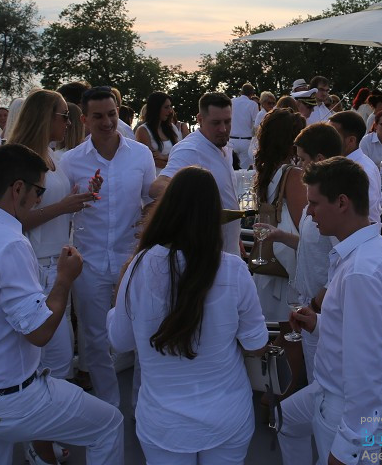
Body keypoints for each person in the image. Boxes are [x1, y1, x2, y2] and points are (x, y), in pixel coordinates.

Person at [0, 144, 123, 465]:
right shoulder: (10, 243)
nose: (40, 200)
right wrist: (63, 279)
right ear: (18, 188)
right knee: (108, 425)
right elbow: (39, 332)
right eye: (39, 191)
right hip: (7, 399)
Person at [108, 167, 268, 463]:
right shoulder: (233, 270)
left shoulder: (138, 266)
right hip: (227, 417)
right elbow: (255, 345)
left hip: (163, 424)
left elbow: (120, 341)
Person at [278, 157, 382, 465]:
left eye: (314, 203)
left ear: (341, 203)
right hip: (334, 392)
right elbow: (370, 333)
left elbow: (366, 370)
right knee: (285, 420)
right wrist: (319, 324)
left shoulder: (360, 273)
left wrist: (348, 447)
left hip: (346, 406)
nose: (308, 212)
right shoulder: (378, 250)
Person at [7, 90, 96, 465]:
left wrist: (76, 198)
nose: (69, 121)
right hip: (35, 267)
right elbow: (15, 219)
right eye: (64, 115)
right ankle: (37, 440)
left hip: (57, 264)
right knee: (52, 358)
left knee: (58, 359)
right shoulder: (23, 163)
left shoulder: (53, 158)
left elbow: (52, 208)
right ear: (46, 117)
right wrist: (64, 205)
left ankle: (43, 434)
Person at [59, 86, 156, 408]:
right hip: (90, 262)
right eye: (98, 116)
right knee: (96, 340)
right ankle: (109, 407)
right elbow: (65, 211)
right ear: (84, 119)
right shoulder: (70, 162)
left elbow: (150, 202)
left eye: (112, 114)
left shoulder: (140, 155)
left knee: (144, 335)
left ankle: (143, 406)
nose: (107, 122)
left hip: (132, 259)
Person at [152, 92, 239, 255]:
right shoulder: (190, 149)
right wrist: (197, 207)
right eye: (216, 123)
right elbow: (157, 186)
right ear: (200, 119)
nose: (223, 129)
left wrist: (235, 237)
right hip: (204, 255)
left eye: (227, 121)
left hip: (229, 248)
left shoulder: (223, 147)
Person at [290, 123, 343, 378]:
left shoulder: (333, 207)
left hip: (321, 310)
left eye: (302, 160)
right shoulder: (315, 198)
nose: (298, 166)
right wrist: (278, 236)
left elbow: (342, 262)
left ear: (319, 160)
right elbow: (310, 246)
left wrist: (313, 304)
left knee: (320, 380)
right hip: (310, 303)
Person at [249, 107, 308, 321]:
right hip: (284, 268)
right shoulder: (293, 175)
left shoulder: (266, 172)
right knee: (291, 331)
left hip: (269, 264)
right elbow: (305, 225)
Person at [329, 111, 382, 225]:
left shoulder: (363, 171)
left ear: (351, 141)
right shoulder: (343, 164)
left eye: (333, 135)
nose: (327, 139)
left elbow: (366, 217)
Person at [135, 91, 180, 173]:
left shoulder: (172, 128)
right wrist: (173, 162)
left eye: (170, 107)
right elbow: (151, 161)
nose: (170, 111)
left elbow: (179, 154)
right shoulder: (143, 130)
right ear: (156, 108)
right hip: (155, 178)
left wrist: (163, 157)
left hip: (174, 177)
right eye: (166, 107)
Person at [229, 83, 259, 169]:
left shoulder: (231, 102)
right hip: (246, 141)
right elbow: (255, 124)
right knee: (244, 171)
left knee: (231, 168)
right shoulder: (253, 104)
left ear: (241, 92)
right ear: (252, 94)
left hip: (231, 140)